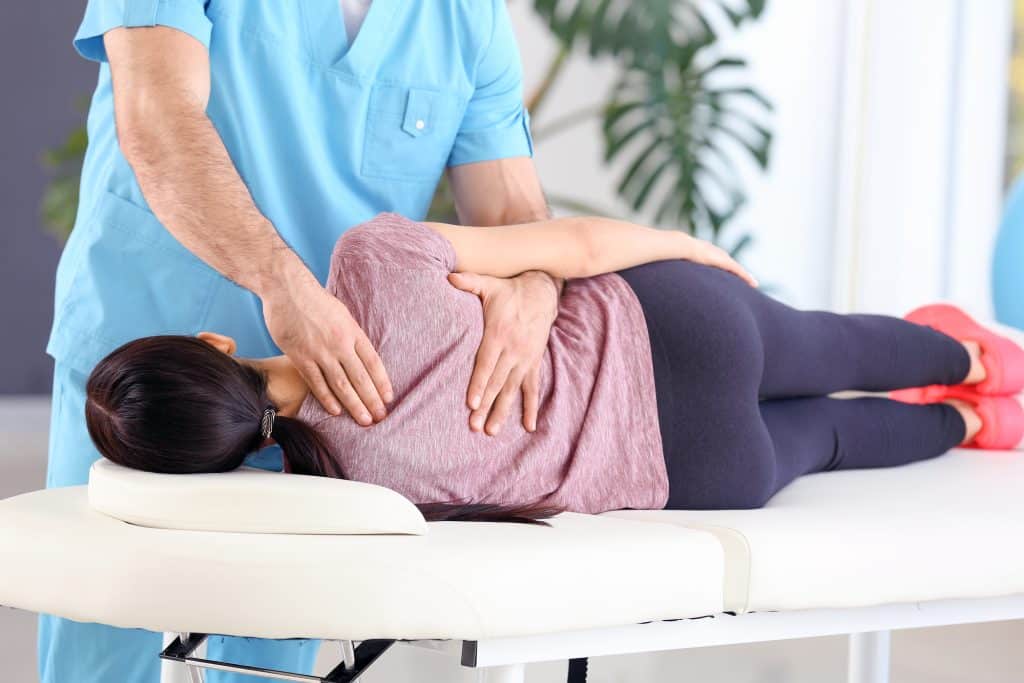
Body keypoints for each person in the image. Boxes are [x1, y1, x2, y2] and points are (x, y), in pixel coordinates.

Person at [48, 2, 563, 681]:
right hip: (153, 378)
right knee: (106, 642)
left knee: (264, 663)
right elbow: (157, 115)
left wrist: (537, 285)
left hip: (314, 407)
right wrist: (282, 285)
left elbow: (512, 215)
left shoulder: (466, 17)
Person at [85, 213, 1024, 520]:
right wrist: (689, 249)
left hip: (700, 468)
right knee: (837, 344)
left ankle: (975, 423)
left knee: (833, 438)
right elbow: (573, 246)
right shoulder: (370, 261)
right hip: (678, 330)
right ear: (212, 345)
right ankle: (980, 356)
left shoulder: (349, 497)